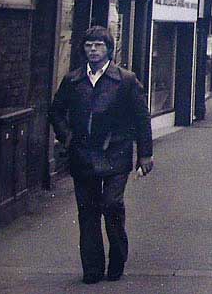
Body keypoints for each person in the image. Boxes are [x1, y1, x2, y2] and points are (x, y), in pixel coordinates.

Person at [49, 26, 153, 284]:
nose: (93, 50)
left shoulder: (125, 80)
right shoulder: (73, 81)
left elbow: (142, 118)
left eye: (98, 45)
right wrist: (67, 137)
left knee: (111, 204)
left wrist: (145, 154)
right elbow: (56, 111)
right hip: (82, 154)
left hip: (116, 153)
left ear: (109, 49)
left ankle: (117, 257)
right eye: (88, 45)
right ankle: (93, 269)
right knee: (87, 212)